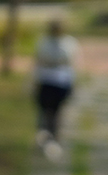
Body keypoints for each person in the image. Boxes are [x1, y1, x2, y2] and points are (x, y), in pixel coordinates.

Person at [33, 20, 78, 159]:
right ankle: (51, 136)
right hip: (57, 81)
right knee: (53, 112)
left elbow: (38, 61)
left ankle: (49, 136)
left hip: (51, 81)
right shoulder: (68, 43)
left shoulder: (44, 43)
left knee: (50, 112)